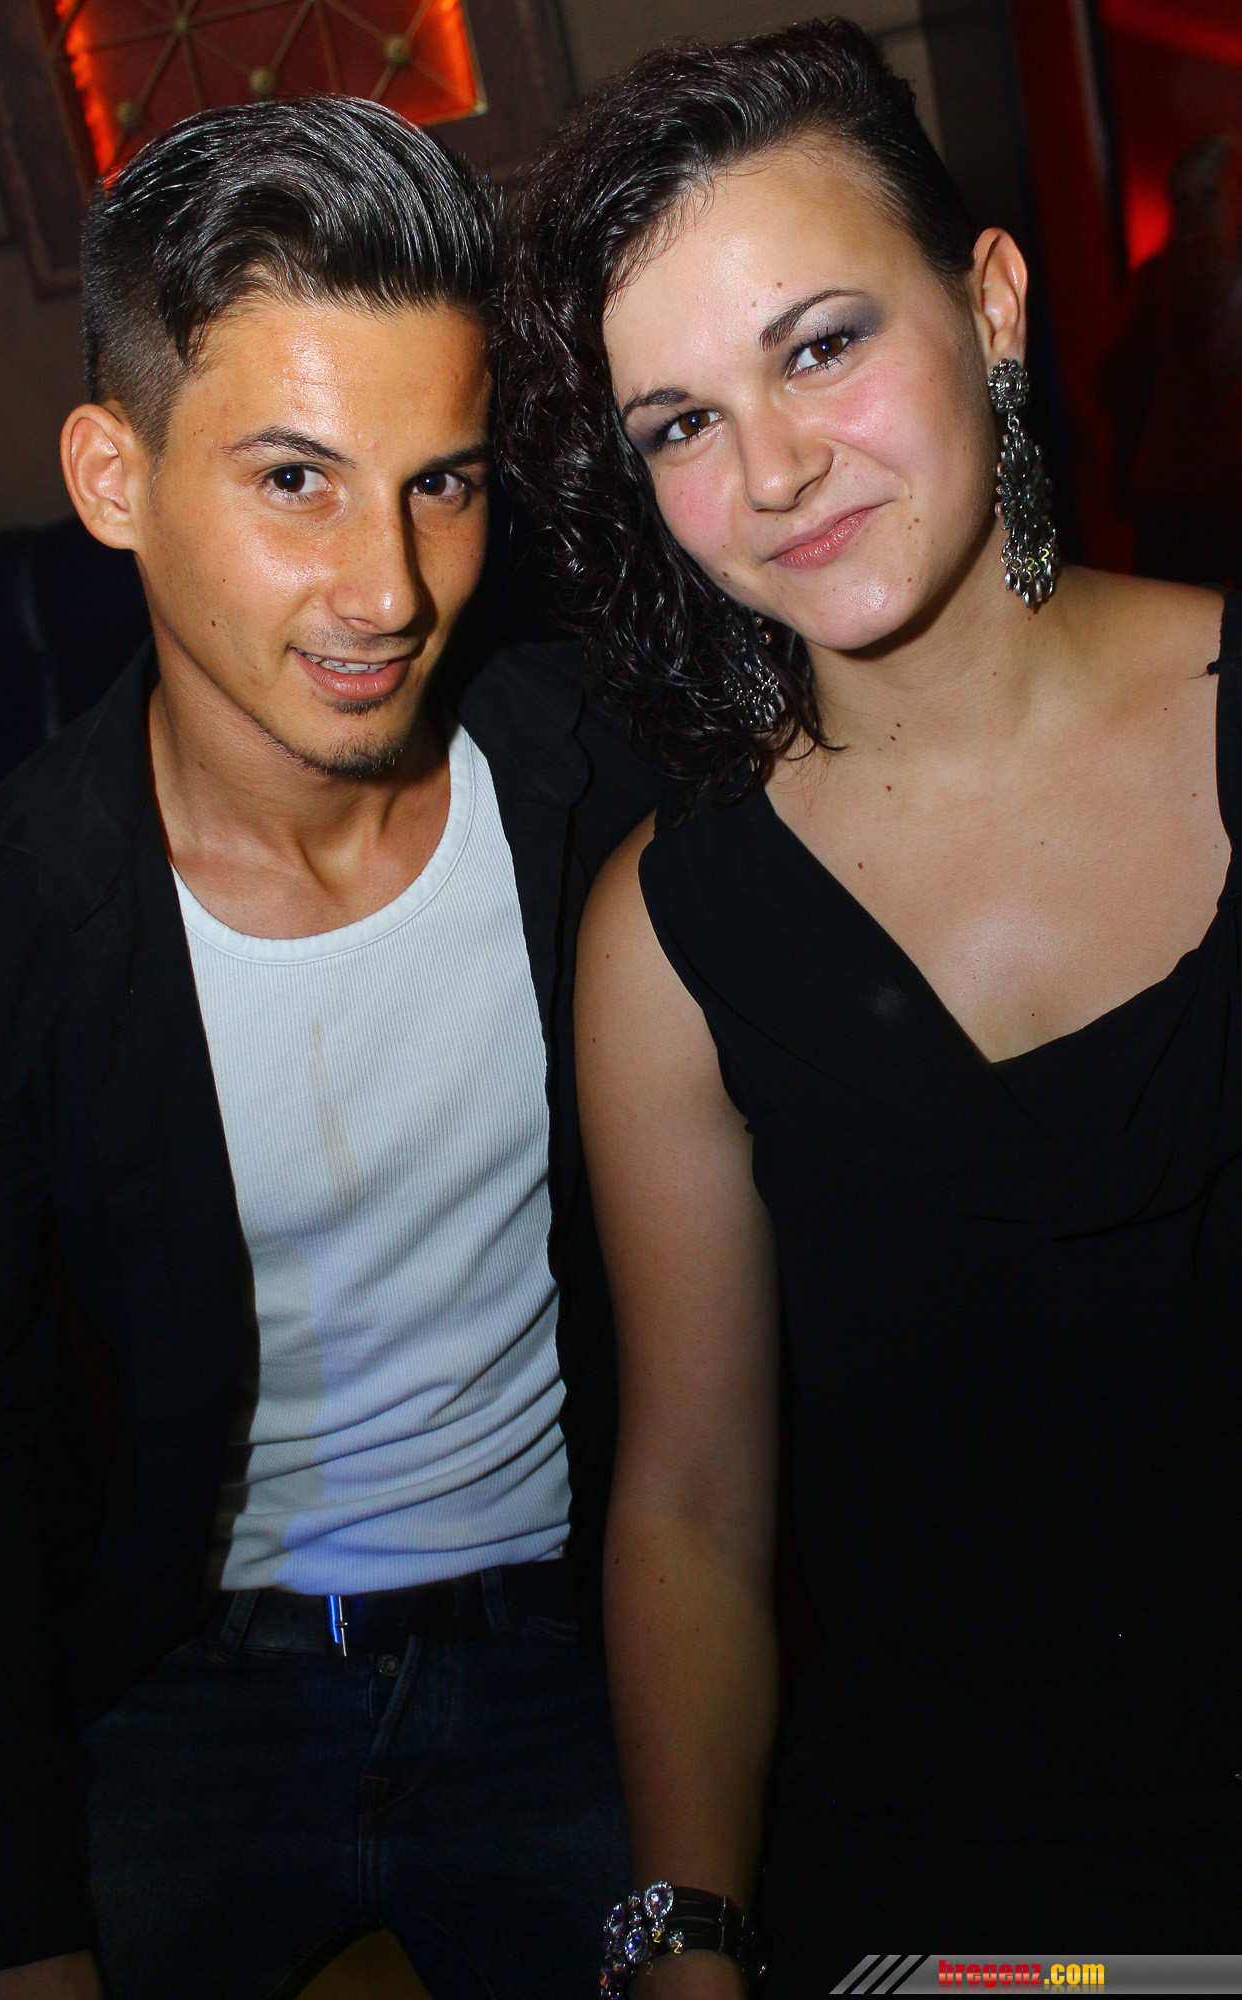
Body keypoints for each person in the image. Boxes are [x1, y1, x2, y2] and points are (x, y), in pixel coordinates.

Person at [498, 21, 1242, 1995]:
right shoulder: (667, 937)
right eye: (678, 422)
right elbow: (688, 1505)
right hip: (960, 1896)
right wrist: (686, 1933)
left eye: (819, 345)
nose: (770, 471)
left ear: (989, 303)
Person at [0, 96, 659, 2000]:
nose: (388, 590)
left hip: (574, 1642)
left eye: (441, 481)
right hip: (197, 1674)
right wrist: (6, 1934)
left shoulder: (601, 787)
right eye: (296, 480)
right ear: (112, 476)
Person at [1099, 132, 1242, 588]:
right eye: (1182, 199)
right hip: (1172, 502)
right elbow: (1112, 386)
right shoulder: (1153, 284)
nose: (1193, 213)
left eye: (1208, 196)